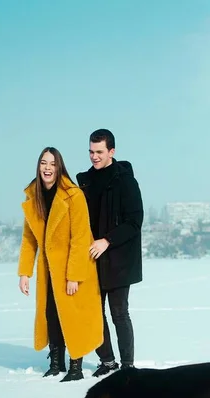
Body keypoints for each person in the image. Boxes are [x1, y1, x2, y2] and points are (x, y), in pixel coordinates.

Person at [18, 147, 103, 382]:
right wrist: (24, 272)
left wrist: (74, 275)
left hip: (72, 267)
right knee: (51, 314)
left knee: (72, 316)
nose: (47, 168)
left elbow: (80, 236)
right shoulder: (33, 198)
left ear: (59, 167)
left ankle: (75, 367)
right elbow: (29, 239)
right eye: (44, 163)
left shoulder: (73, 195)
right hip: (48, 269)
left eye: (52, 164)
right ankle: (56, 363)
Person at [76, 129, 144, 377]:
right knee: (95, 314)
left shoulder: (125, 180)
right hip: (91, 257)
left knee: (119, 312)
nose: (94, 156)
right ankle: (107, 361)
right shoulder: (84, 181)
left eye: (99, 152)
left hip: (119, 259)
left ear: (111, 152)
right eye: (91, 152)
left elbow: (135, 221)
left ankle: (127, 366)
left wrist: (107, 240)